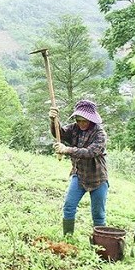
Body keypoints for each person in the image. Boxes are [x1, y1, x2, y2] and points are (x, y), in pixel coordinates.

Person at [49, 100, 109, 236]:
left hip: (98, 178)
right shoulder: (74, 128)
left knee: (98, 214)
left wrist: (67, 150)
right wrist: (53, 121)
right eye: (78, 120)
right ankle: (68, 239)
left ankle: (99, 243)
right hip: (79, 175)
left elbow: (90, 152)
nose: (81, 123)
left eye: (84, 120)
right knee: (69, 207)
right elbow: (60, 133)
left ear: (91, 120)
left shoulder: (100, 134)